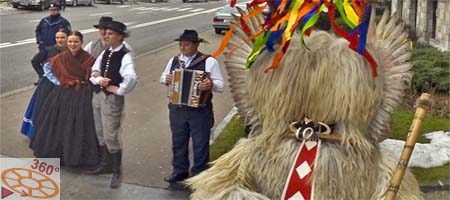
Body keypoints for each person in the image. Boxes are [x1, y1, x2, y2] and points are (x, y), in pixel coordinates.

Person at [160, 29, 224, 183]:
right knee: (178, 141)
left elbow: (220, 85)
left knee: (200, 143)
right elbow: (163, 77)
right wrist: (166, 78)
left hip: (199, 110)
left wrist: (210, 84)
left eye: (186, 45)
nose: (182, 48)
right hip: (177, 109)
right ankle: (179, 171)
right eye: (181, 45)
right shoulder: (174, 60)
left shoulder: (209, 61)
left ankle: (199, 175)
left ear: (196, 45)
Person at [29, 31, 99, 168]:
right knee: (58, 123)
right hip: (63, 93)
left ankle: (78, 157)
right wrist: (59, 81)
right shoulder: (61, 57)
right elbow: (47, 68)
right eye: (70, 42)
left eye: (76, 42)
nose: (73, 44)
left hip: (82, 94)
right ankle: (59, 154)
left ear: (81, 42)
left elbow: (94, 74)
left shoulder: (89, 58)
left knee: (80, 124)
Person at [88, 21, 137, 189]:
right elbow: (94, 70)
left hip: (111, 99)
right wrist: (98, 78)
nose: (106, 36)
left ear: (120, 36)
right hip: (98, 95)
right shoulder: (106, 52)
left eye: (110, 34)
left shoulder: (125, 55)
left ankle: (117, 170)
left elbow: (130, 77)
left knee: (111, 135)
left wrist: (120, 89)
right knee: (100, 131)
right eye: (106, 33)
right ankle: (105, 164)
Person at [21, 28, 70, 138]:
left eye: (62, 37)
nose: (60, 40)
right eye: (57, 37)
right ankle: (37, 133)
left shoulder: (71, 51)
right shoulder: (49, 50)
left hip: (64, 85)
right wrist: (42, 74)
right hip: (48, 85)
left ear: (68, 38)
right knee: (42, 108)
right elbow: (35, 61)